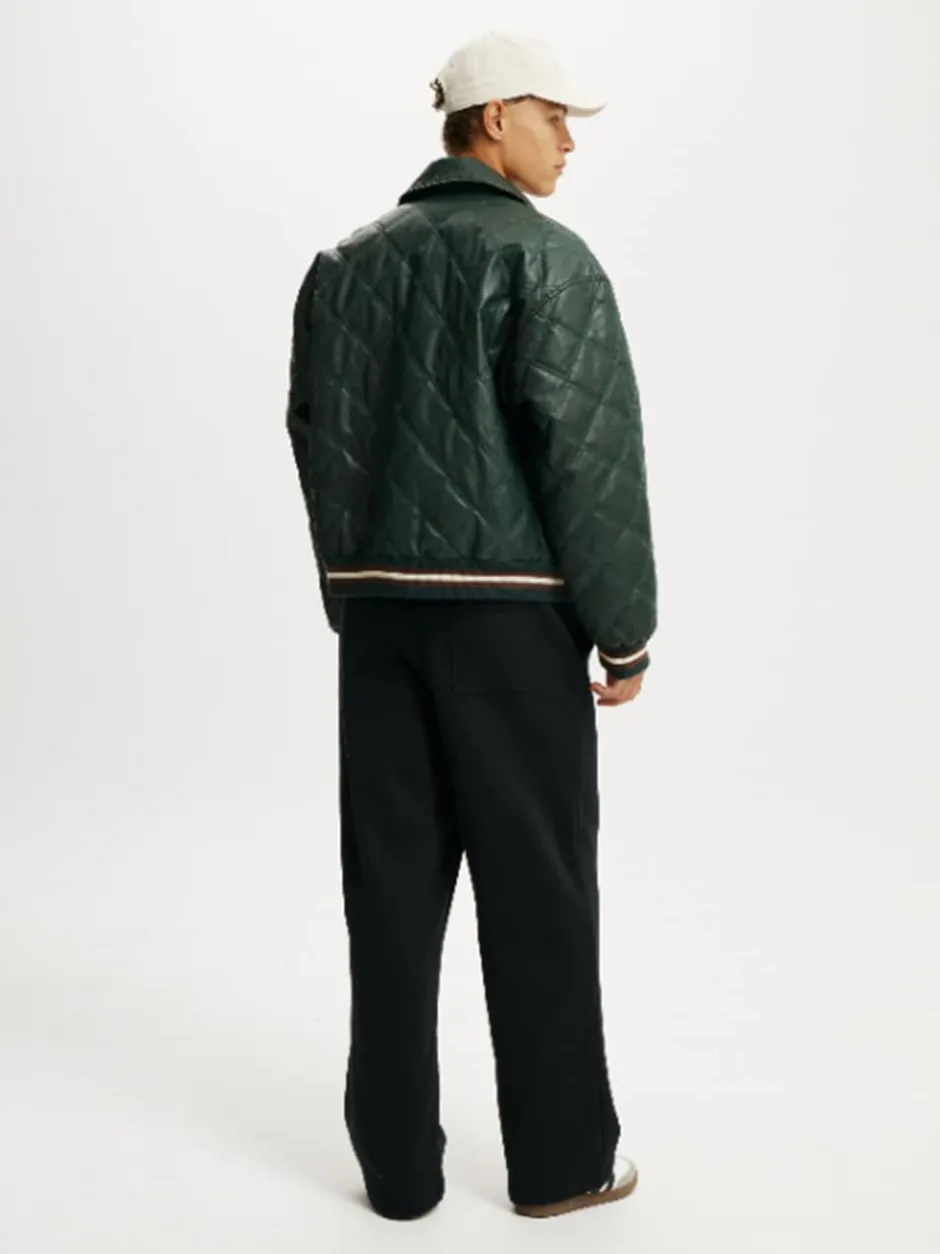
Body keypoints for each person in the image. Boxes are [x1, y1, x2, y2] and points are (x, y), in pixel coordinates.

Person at [285, 29, 658, 1222]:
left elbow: (315, 439)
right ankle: (562, 1166)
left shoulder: (343, 265)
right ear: (493, 118)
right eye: (554, 118)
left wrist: (353, 593)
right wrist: (624, 632)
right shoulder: (547, 262)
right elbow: (590, 460)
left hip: (380, 628)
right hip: (511, 631)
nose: (568, 144)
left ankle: (397, 1175)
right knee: (538, 894)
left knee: (388, 899)